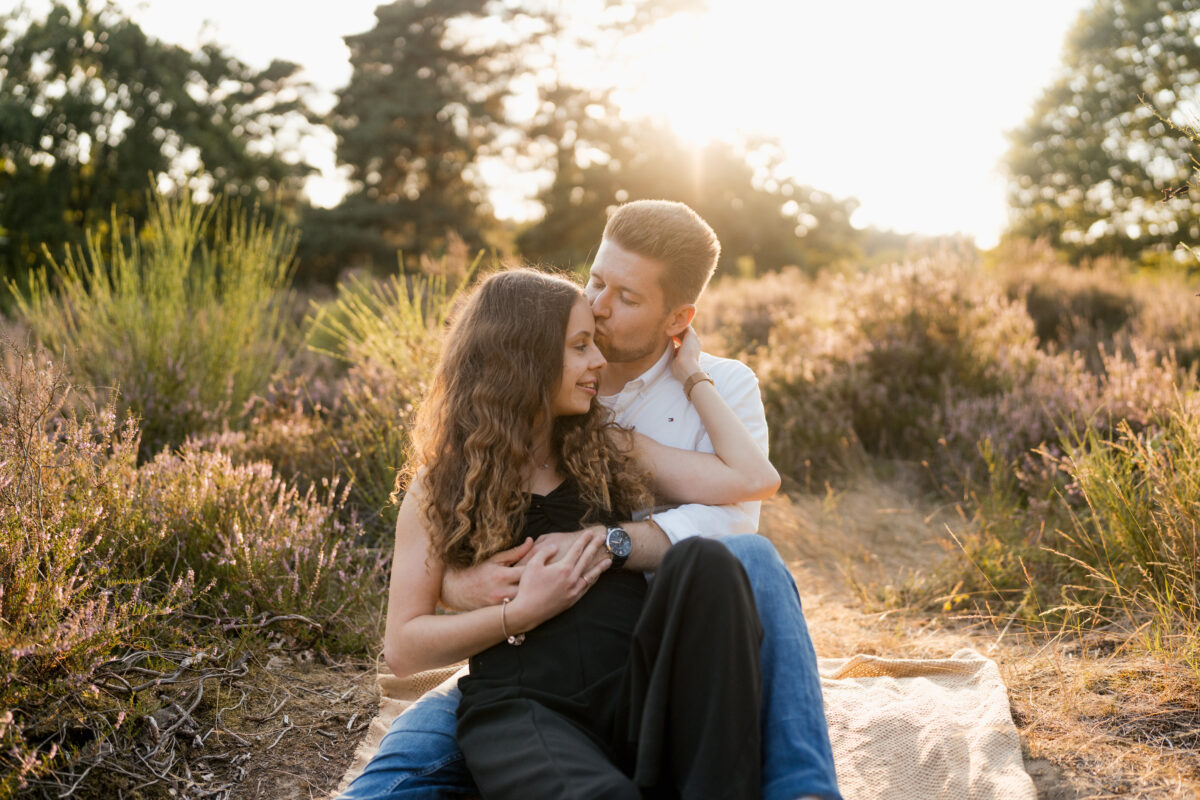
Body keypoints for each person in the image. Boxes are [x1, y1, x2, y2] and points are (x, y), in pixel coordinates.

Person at [340, 201, 841, 800]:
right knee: (396, 783)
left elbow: (743, 494)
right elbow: (408, 632)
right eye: (595, 282)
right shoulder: (509, 416)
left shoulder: (616, 431)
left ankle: (803, 791)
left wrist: (692, 382)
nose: (600, 312)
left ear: (677, 318)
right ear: (526, 360)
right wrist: (470, 587)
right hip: (521, 677)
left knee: (747, 558)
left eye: (626, 298)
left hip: (652, 648)